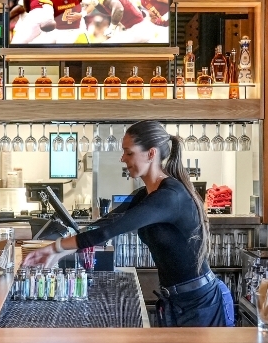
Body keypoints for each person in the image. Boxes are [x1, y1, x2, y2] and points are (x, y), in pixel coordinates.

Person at [22, 121, 233, 326]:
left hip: (201, 304)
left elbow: (108, 231)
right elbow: (103, 224)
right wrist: (59, 253)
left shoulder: (170, 196)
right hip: (174, 302)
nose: (123, 158)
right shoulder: (144, 195)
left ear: (151, 154)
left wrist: (54, 247)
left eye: (129, 152)